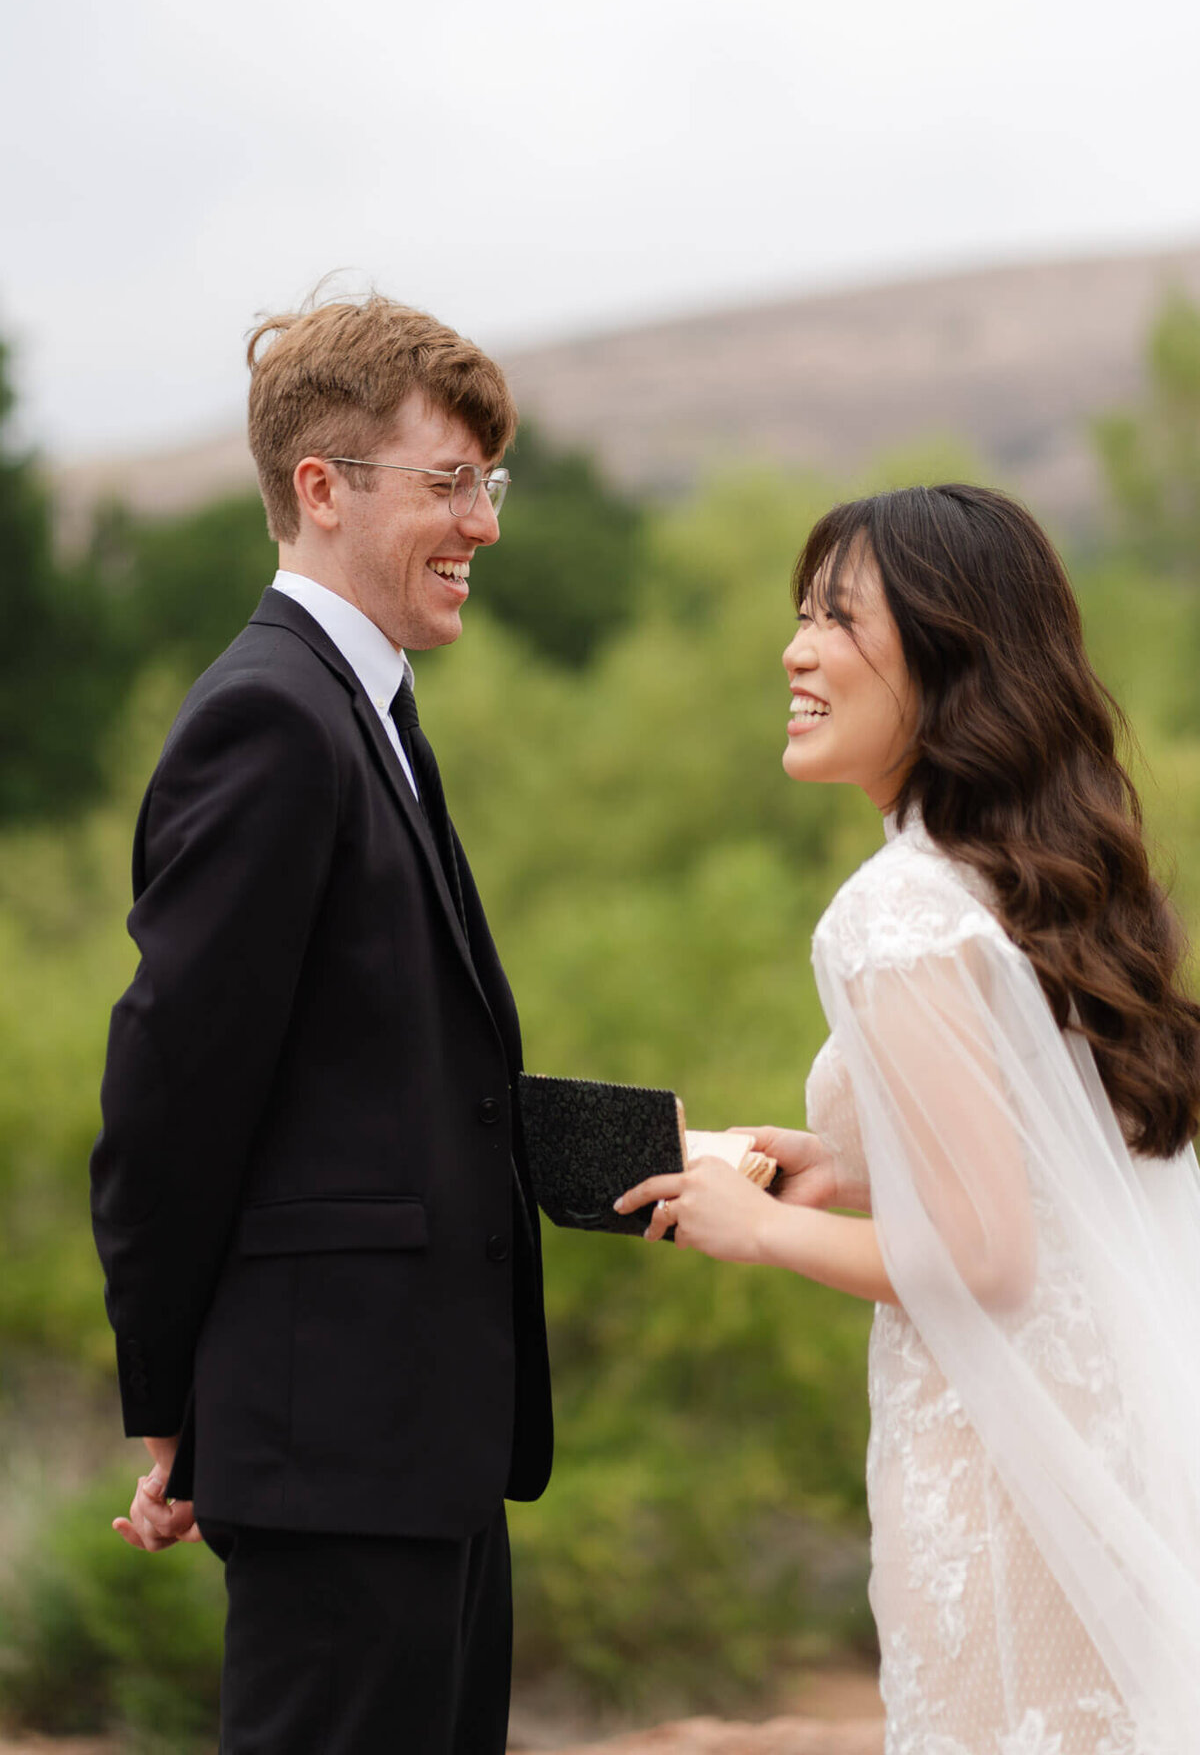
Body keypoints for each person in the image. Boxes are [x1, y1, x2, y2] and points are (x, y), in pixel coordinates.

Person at [617, 483, 1200, 1750]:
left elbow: (987, 1261)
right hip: (1104, 1455)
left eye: (839, 619)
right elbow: (1057, 1167)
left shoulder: (894, 915)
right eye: (802, 616)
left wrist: (753, 1230)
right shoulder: (1027, 880)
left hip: (1001, 1473)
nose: (796, 649)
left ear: (951, 654)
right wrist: (849, 1166)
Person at [90, 294, 553, 1755]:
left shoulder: (372, 714)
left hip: (419, 1447)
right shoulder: (273, 722)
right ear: (321, 488)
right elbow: (170, 1093)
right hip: (335, 1448)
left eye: (489, 482)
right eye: (448, 483)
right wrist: (173, 1403)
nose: (482, 521)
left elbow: (387, 1077)